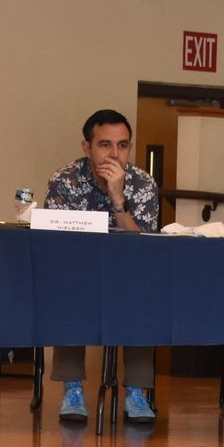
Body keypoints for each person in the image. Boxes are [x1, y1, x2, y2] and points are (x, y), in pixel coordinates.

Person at [43, 108, 161, 424]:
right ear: (87, 147)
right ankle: (72, 390)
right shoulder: (64, 180)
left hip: (128, 274)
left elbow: (144, 248)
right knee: (67, 290)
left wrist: (118, 199)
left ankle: (136, 393)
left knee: (145, 295)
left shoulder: (143, 184)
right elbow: (56, 245)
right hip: (79, 271)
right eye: (105, 145)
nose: (114, 154)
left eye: (123, 145)